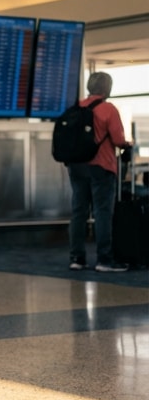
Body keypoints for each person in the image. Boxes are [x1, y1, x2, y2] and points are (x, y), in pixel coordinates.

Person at [67, 71, 130, 272]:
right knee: (102, 212)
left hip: (77, 166)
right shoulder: (108, 109)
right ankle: (104, 260)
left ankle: (77, 258)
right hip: (101, 166)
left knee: (79, 212)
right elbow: (118, 140)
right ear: (106, 88)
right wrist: (126, 145)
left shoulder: (76, 107)